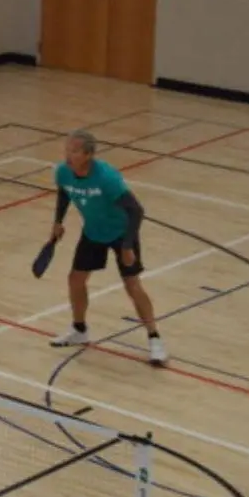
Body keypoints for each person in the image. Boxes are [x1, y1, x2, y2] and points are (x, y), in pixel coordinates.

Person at [49, 130, 167, 365]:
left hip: (121, 231)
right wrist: (58, 221)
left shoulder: (107, 178)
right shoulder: (63, 171)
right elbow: (64, 192)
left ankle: (155, 339)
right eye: (67, 149)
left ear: (88, 155)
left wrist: (126, 245)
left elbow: (136, 210)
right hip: (93, 231)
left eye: (73, 151)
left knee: (132, 285)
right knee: (76, 279)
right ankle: (80, 329)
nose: (67, 155)